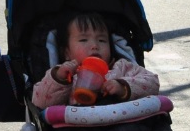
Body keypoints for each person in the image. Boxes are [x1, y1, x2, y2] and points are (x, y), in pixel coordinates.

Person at [30, 12, 160, 110]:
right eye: (83, 40)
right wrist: (59, 78)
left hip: (127, 126)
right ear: (67, 53)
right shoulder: (67, 76)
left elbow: (153, 83)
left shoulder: (122, 68)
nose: (95, 45)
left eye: (102, 40)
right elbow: (40, 103)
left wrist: (123, 87)